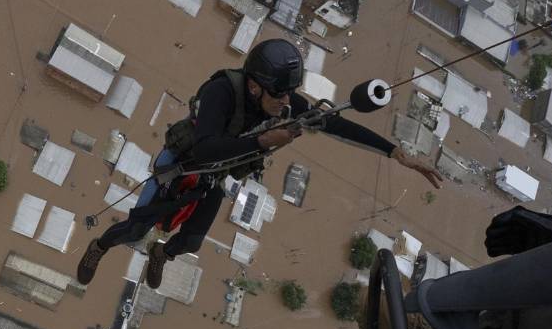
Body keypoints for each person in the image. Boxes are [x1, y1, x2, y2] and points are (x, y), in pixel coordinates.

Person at [77, 39, 443, 288]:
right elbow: (204, 149)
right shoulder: (221, 92)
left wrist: (395, 153)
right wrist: (263, 140)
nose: (286, 101)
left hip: (212, 178)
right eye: (279, 93)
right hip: (181, 166)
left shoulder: (282, 101)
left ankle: (162, 253)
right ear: (254, 87)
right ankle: (99, 247)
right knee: (136, 229)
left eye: (289, 93)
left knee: (189, 242)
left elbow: (334, 123)